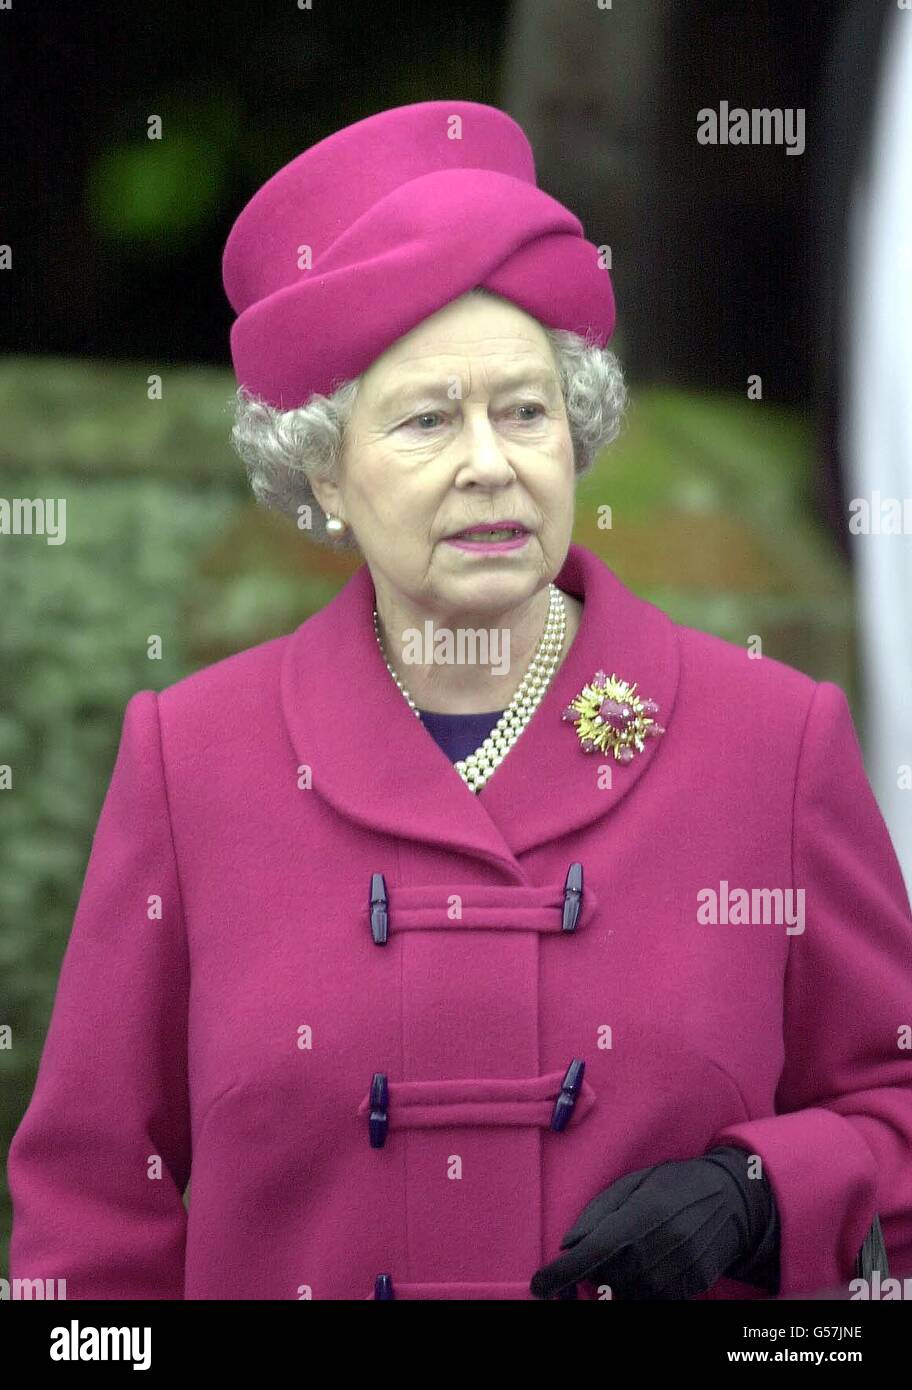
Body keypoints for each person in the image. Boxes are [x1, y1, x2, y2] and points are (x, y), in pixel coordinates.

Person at [8, 100, 912, 1301]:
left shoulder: (774, 743)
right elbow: (91, 1215)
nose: (491, 461)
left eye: (525, 410)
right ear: (323, 465)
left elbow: (897, 1114)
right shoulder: (192, 760)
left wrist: (762, 1194)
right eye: (429, 419)